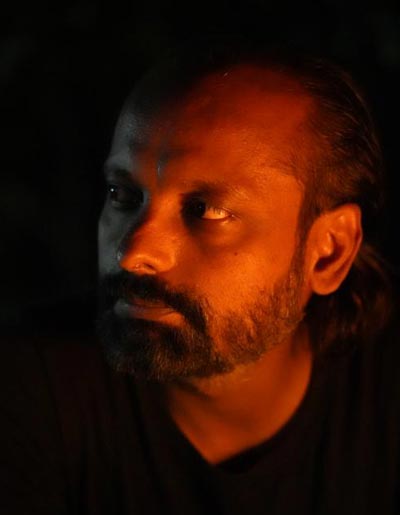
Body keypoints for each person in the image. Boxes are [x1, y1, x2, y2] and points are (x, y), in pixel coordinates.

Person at [1, 44, 398, 515]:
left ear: (327, 253)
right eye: (123, 194)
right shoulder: (27, 389)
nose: (134, 254)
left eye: (206, 210)